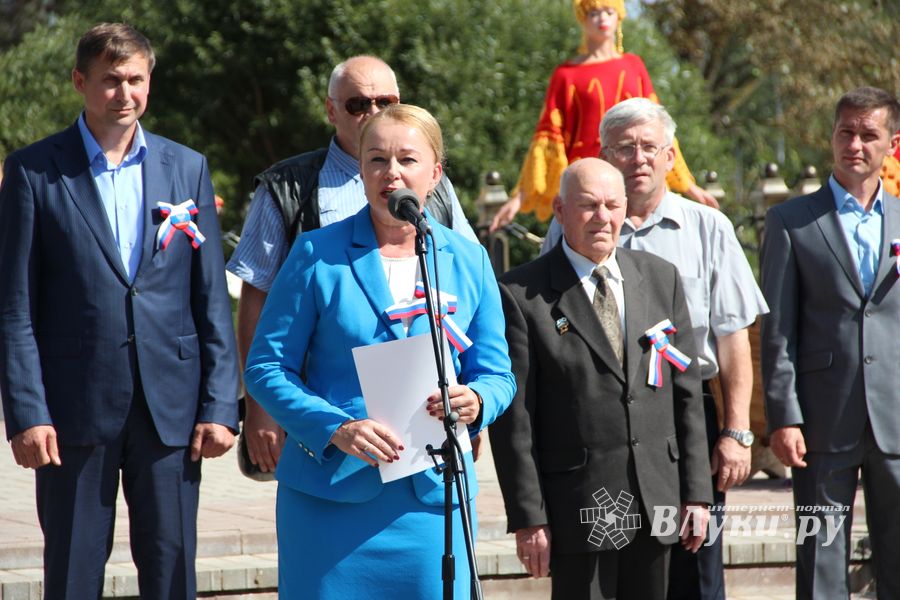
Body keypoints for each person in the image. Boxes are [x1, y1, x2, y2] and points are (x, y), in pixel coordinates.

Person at [0, 23, 238, 599]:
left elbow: (209, 298)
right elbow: (14, 306)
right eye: (110, 80)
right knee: (73, 575)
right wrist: (27, 412)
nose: (124, 93)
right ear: (81, 82)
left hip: (172, 411)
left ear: (149, 83)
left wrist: (220, 404)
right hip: (74, 410)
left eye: (135, 79)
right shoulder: (33, 172)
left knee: (172, 571)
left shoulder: (187, 168)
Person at [243, 103, 515, 598]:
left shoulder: (468, 259)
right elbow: (265, 368)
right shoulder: (314, 254)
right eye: (376, 160)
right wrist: (336, 428)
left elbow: (498, 374)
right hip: (330, 498)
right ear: (361, 172)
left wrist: (478, 401)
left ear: (435, 172)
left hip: (434, 500)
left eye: (407, 160)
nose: (391, 173)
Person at [541, 98, 768, 599]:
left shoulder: (709, 227)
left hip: (686, 418)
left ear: (670, 156)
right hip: (597, 428)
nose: (638, 159)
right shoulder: (570, 226)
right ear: (604, 155)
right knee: (609, 573)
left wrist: (736, 432)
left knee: (694, 568)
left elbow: (731, 341)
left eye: (650, 147)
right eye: (624, 148)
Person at [229, 55, 478, 475]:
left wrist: (474, 400)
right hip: (326, 414)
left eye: (386, 101)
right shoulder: (288, 185)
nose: (374, 113)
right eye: (358, 104)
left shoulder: (434, 188)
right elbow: (258, 295)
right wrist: (259, 409)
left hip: (422, 424)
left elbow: (469, 288)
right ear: (331, 110)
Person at [490, 157, 712, 600]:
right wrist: (530, 517)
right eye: (589, 205)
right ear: (559, 210)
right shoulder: (521, 294)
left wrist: (698, 493)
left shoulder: (659, 277)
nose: (602, 217)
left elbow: (686, 395)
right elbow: (515, 421)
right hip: (578, 506)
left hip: (657, 498)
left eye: (612, 205)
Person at [761, 86, 900, 600]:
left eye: (870, 135)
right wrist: (784, 416)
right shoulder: (791, 222)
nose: (856, 145)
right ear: (832, 138)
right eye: (846, 132)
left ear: (892, 143)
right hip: (821, 419)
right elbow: (778, 331)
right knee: (820, 554)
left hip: (897, 417)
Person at [489, 0, 716, 232]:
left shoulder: (633, 66)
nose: (603, 18)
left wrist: (689, 186)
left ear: (619, 17)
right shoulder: (565, 75)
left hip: (630, 176)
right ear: (583, 19)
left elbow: (658, 131)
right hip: (586, 184)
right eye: (594, 13)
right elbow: (548, 141)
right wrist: (518, 199)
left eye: (609, 11)